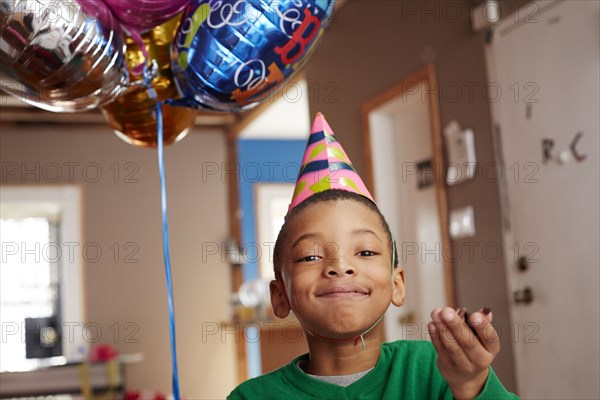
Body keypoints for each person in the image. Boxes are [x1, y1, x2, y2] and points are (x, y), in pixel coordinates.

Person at [228, 113, 519, 400]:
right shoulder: (252, 396)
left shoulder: (438, 369)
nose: (340, 266)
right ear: (280, 296)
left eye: (365, 251)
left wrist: (470, 384)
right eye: (310, 256)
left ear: (397, 284)